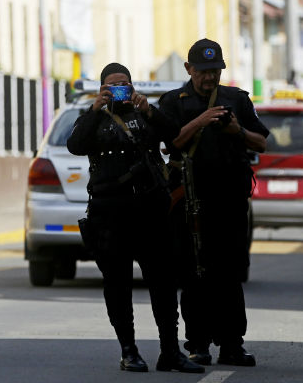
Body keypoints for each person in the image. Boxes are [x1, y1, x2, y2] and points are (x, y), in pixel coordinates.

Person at [67, 63, 204, 374]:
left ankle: (170, 351)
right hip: (110, 213)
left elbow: (173, 133)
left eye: (124, 84)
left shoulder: (145, 113)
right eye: (112, 85)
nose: (119, 90)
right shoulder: (92, 118)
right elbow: (75, 145)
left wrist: (149, 109)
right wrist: (94, 109)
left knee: (164, 283)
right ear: (102, 88)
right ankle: (129, 351)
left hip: (150, 210)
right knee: (117, 284)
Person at [158, 38, 268, 367]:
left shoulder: (236, 99)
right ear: (189, 69)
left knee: (230, 273)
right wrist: (201, 121)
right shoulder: (173, 102)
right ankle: (198, 343)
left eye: (215, 71)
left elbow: (261, 141)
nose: (210, 78)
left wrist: (236, 130)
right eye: (203, 72)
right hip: (190, 203)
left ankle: (232, 343)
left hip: (230, 201)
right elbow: (171, 143)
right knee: (194, 275)